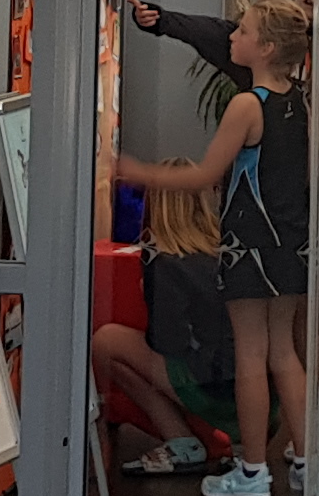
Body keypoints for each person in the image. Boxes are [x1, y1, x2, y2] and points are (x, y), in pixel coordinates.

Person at [107, 0, 314, 496]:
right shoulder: (300, 100)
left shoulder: (247, 104)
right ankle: (307, 462)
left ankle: (252, 471)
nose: (231, 38)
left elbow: (205, 175)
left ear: (266, 48)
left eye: (242, 31)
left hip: (249, 246)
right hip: (291, 243)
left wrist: (137, 171)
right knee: (285, 352)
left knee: (251, 354)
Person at [85, 186, 235, 477]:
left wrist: (151, 298)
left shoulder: (164, 260)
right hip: (253, 394)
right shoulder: (226, 251)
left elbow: (168, 342)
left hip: (210, 387)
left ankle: (108, 436)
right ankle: (192, 442)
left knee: (105, 341)